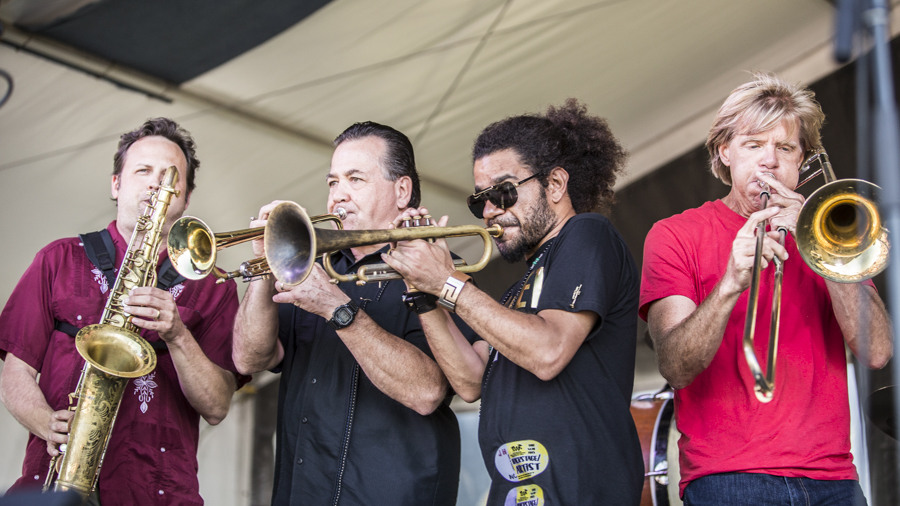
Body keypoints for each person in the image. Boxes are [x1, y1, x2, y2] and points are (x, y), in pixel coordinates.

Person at [640, 72, 893, 505]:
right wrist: (730, 284)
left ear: (802, 159)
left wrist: (822, 249)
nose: (770, 161)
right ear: (726, 152)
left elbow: (878, 351)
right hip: (728, 479)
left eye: (785, 148)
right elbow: (675, 367)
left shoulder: (829, 232)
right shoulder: (675, 234)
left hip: (834, 478)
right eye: (754, 145)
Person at [382, 99, 644, 505]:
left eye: (503, 192)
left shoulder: (587, 234)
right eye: (479, 201)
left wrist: (447, 281)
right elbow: (470, 381)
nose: (489, 211)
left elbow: (549, 351)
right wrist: (423, 294)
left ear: (555, 184)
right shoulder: (517, 291)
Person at [0, 118, 248, 505]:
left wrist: (177, 335)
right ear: (116, 184)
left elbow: (216, 407)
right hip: (55, 482)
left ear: (186, 198)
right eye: (143, 170)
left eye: (170, 176)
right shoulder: (57, 259)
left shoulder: (215, 285)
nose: (156, 184)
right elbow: (15, 373)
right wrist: (46, 423)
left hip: (157, 492)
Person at [232, 122, 472, 505]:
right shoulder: (312, 265)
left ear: (402, 190)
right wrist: (265, 265)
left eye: (355, 179)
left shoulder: (440, 269)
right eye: (333, 182)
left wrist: (335, 307)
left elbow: (427, 392)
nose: (337, 196)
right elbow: (250, 358)